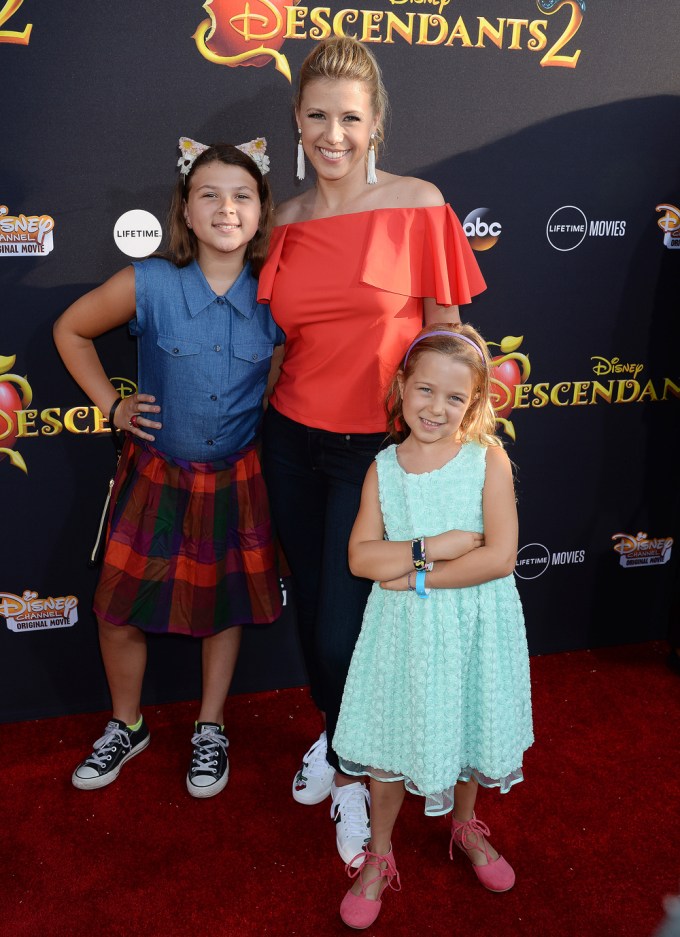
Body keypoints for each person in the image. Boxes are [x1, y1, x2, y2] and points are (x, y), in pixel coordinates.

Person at [257, 36, 486, 864]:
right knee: (315, 611)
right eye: (316, 116)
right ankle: (341, 745)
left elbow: (451, 339)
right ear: (297, 120)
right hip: (288, 443)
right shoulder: (280, 221)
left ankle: (352, 762)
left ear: (376, 121)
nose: (332, 134)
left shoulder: (420, 203)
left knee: (343, 631)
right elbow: (277, 344)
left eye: (349, 117)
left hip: (374, 457)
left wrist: (451, 452)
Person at [53, 138, 283, 798]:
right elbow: (70, 329)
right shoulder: (147, 282)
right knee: (117, 611)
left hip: (234, 479)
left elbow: (279, 377)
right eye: (208, 193)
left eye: (241, 195)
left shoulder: (275, 298)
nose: (225, 207)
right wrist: (111, 403)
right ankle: (127, 723)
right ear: (184, 210)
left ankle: (210, 725)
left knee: (223, 606)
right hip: (154, 473)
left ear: (261, 211)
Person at [332, 322, 533, 929]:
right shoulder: (384, 468)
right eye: (424, 391)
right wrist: (433, 546)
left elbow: (498, 557)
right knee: (391, 742)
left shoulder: (486, 461)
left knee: (469, 725)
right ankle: (379, 853)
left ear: (475, 401)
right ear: (401, 387)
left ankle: (465, 824)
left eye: (453, 397)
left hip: (474, 627)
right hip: (403, 636)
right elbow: (362, 559)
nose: (436, 408)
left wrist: (415, 577)